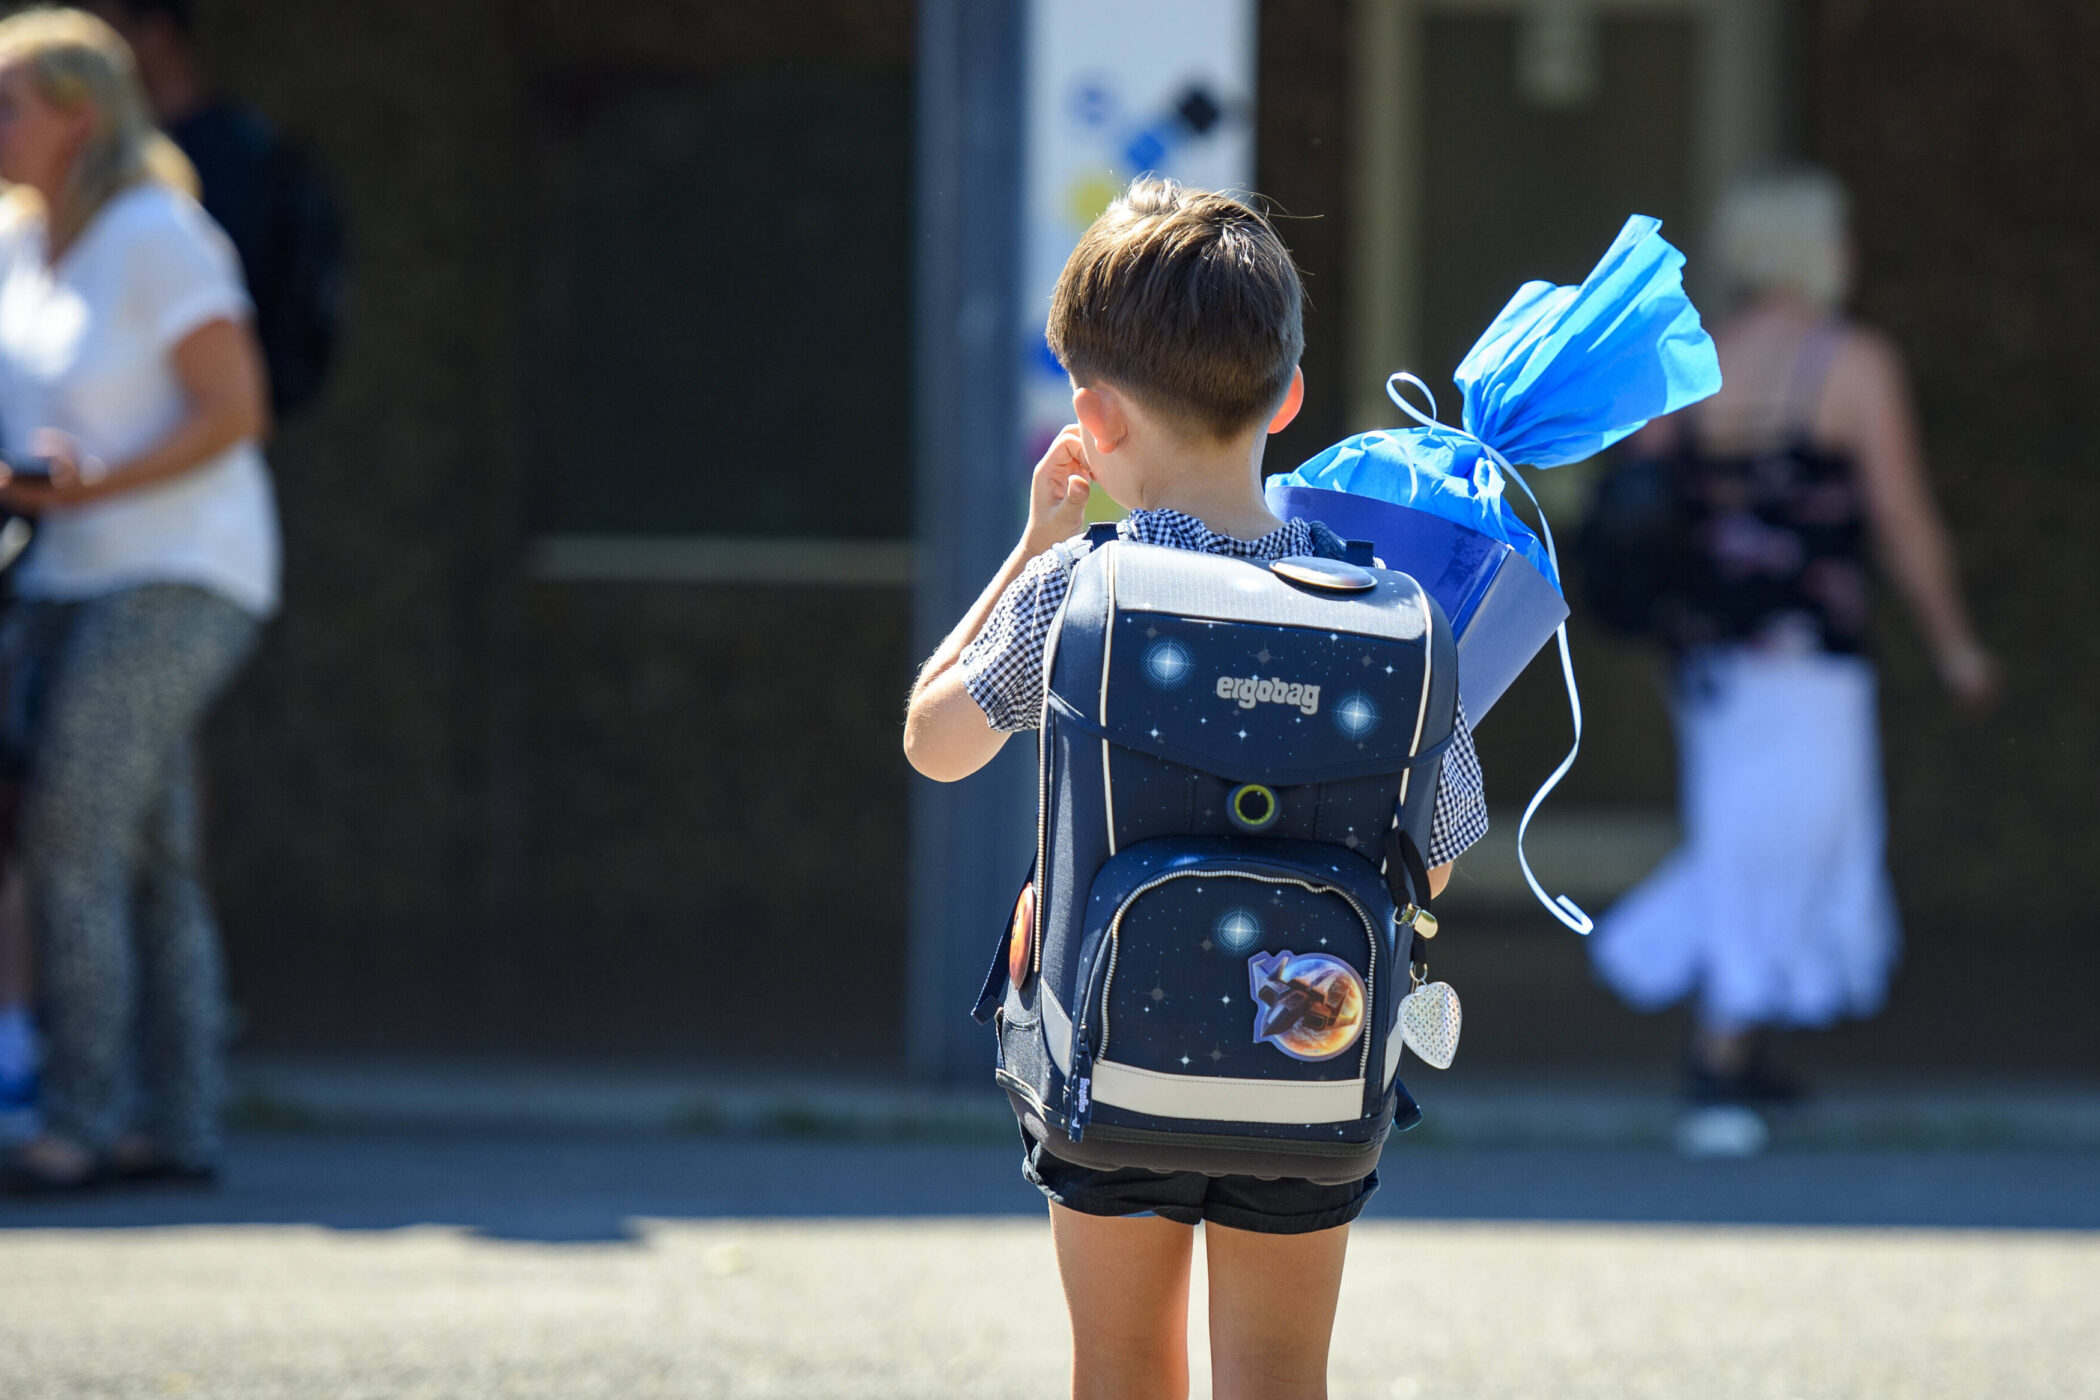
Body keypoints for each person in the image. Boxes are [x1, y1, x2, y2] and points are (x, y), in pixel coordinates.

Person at [905, 179, 1488, 1399]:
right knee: (1280, 1376)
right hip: (1309, 1052)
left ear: (1093, 419)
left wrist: (1030, 544)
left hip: (1109, 1065)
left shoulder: (1079, 587)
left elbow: (934, 737)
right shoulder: (1391, 616)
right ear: (1289, 394)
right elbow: (1438, 845)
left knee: (1120, 1369)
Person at [1585, 169, 1996, 1153]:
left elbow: (1640, 487)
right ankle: (1714, 1059)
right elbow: (1902, 518)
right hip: (1809, 656)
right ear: (1815, 251)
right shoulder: (1850, 362)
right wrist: (1956, 642)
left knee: (1758, 833)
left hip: (1706, 657)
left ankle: (1744, 1042)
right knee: (1782, 842)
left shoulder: (1699, 358)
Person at [0, 8, 278, 1191]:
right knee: (151, 854)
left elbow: (233, 409)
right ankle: (180, 1122)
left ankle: (79, 1115)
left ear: (79, 116)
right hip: (67, 571)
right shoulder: (18, 242)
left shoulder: (158, 232)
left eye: (8, 102)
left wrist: (99, 480)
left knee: (69, 835)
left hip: (177, 575)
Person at [87, 0, 342, 418]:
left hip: (214, 428)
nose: (88, 60)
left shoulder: (237, 159)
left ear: (156, 29)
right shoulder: (121, 157)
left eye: (100, 35)